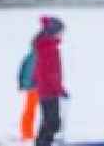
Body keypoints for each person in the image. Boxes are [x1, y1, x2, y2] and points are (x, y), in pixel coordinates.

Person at [34, 16, 67, 146]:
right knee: (51, 121)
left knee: (52, 121)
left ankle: (44, 142)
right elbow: (50, 73)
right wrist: (59, 89)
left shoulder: (49, 46)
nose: (61, 34)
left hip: (49, 89)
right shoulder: (48, 48)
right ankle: (43, 143)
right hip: (48, 90)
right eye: (60, 31)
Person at [18, 45, 38, 141]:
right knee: (30, 109)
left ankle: (27, 132)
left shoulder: (30, 56)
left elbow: (22, 70)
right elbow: (27, 71)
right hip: (34, 86)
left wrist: (21, 83)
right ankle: (27, 133)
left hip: (33, 86)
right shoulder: (36, 56)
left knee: (30, 109)